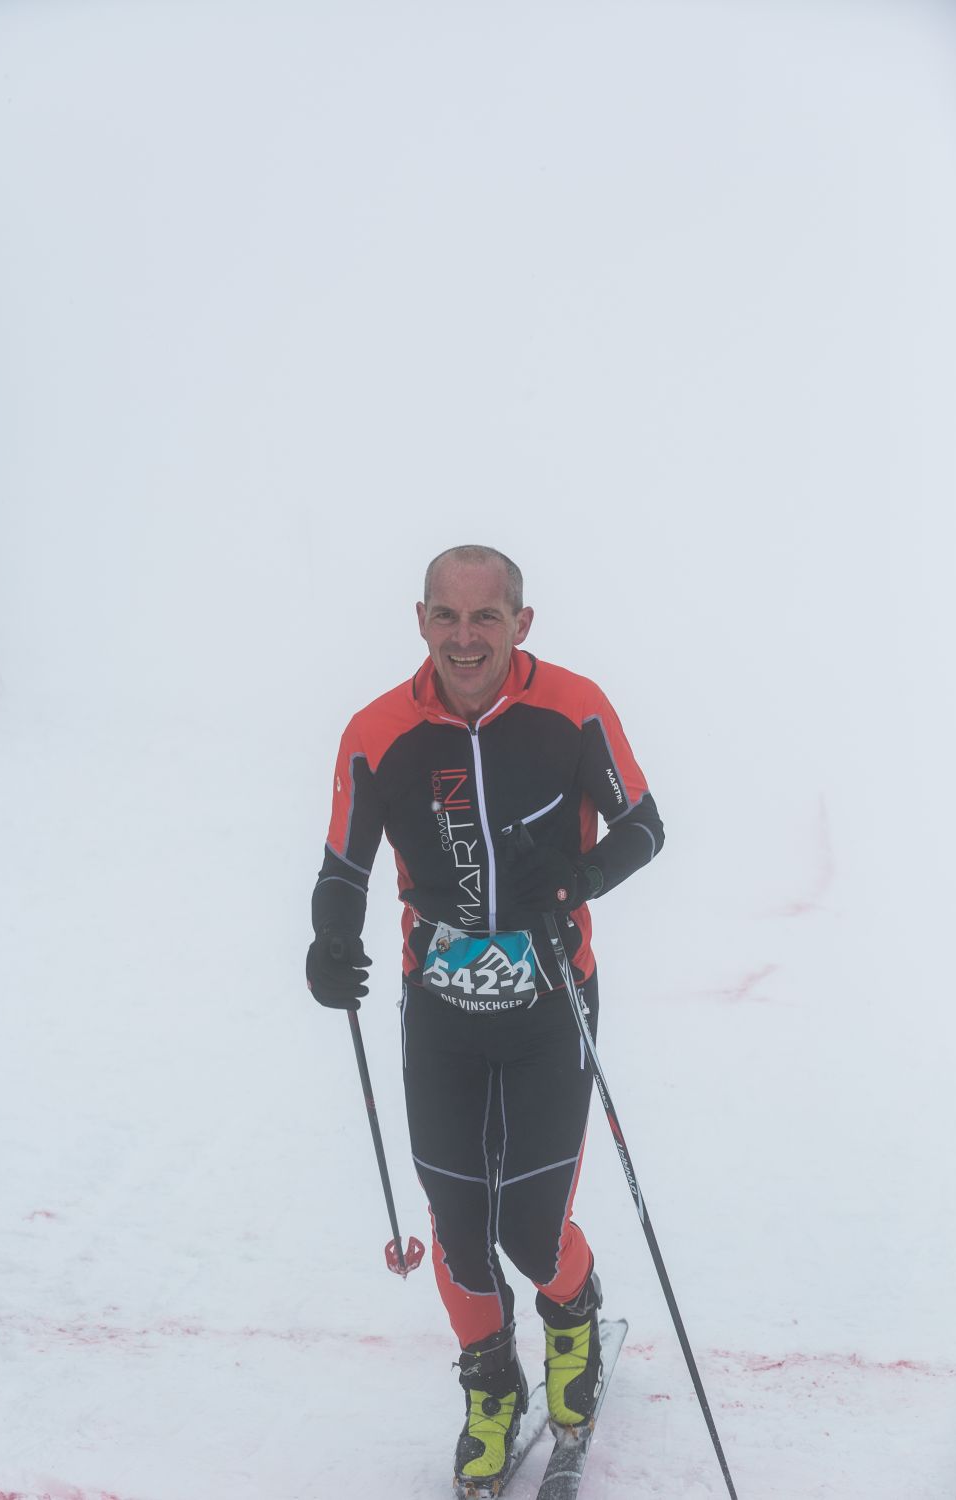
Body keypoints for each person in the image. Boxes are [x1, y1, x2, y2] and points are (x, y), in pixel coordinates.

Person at [307, 544, 664, 1493]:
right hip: (443, 1020)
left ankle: (573, 1317)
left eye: (487, 618)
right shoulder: (376, 732)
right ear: (421, 620)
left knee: (533, 1231)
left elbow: (643, 826)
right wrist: (330, 942)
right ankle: (490, 1387)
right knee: (461, 1229)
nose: (466, 639)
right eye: (448, 617)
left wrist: (578, 882)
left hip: (551, 1008)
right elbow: (343, 868)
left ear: (521, 623)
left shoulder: (574, 709)